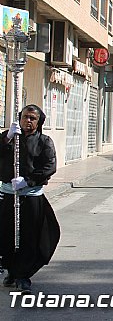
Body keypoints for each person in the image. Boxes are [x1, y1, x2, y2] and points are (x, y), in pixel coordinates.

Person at [0, 105, 60, 294]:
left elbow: (50, 166)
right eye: (25, 117)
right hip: (8, 194)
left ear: (38, 121)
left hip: (31, 196)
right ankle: (11, 269)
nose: (28, 121)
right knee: (6, 235)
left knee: (30, 236)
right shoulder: (9, 138)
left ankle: (23, 274)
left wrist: (28, 181)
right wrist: (7, 138)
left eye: (33, 118)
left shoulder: (44, 142)